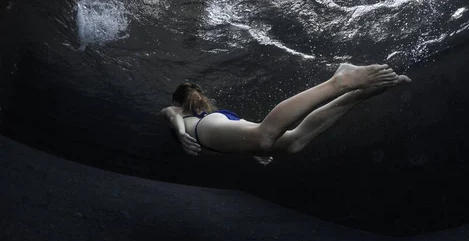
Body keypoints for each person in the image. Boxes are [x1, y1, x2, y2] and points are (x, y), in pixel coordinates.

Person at [161, 63, 411, 165]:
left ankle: (340, 81)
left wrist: (181, 134)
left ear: (177, 99)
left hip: (205, 129)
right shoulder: (203, 112)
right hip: (219, 124)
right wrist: (251, 151)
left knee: (265, 136)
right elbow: (221, 141)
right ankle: (362, 93)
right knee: (294, 142)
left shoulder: (177, 111)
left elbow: (172, 118)